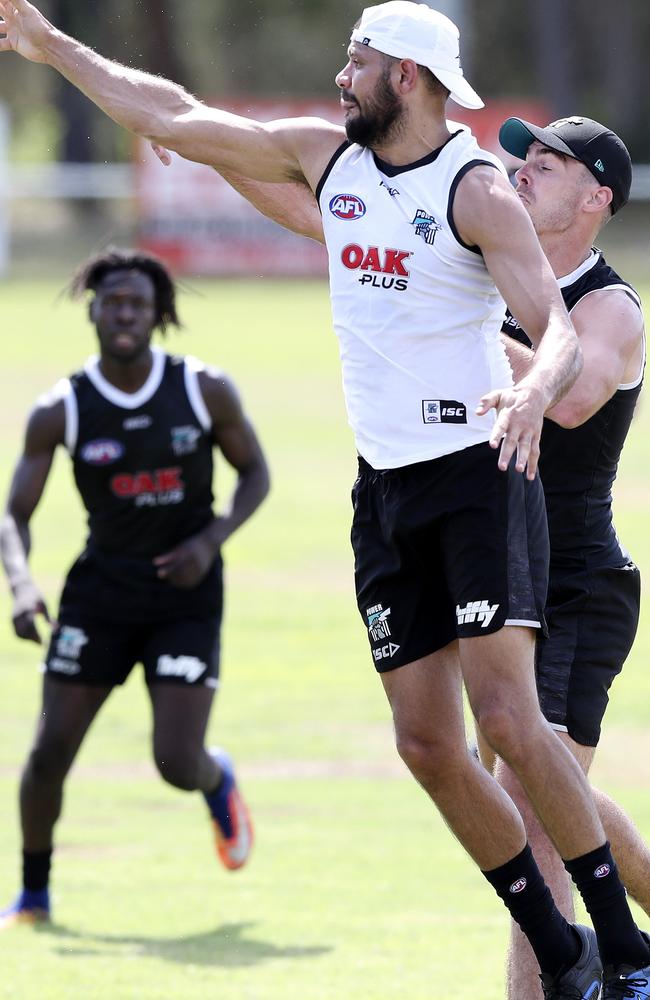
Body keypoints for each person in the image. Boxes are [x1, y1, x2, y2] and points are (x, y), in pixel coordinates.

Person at [2, 2, 650, 995]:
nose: (340, 75)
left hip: (481, 487)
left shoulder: (473, 189)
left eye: (358, 61)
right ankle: (566, 955)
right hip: (384, 493)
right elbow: (172, 112)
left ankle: (620, 948)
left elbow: (557, 333)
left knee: (513, 733)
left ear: (409, 78)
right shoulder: (329, 163)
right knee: (428, 744)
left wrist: (526, 385)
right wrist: (52, 46)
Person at [0, 247, 269, 927]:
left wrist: (208, 542)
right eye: (112, 302)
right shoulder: (59, 408)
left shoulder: (204, 389)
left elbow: (256, 476)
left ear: (158, 317)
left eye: (137, 305)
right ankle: (34, 893)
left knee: (176, 762)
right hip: (101, 593)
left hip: (186, 593)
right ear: (92, 309)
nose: (124, 314)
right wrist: (23, 586)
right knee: (47, 751)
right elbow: (14, 515)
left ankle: (217, 779)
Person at [492, 115, 649, 1000]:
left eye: (547, 165)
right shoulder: (497, 272)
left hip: (576, 581)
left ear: (595, 199)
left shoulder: (611, 305)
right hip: (495, 568)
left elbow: (576, 398)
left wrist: (461, 328)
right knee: (547, 805)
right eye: (524, 158)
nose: (524, 171)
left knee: (532, 822)